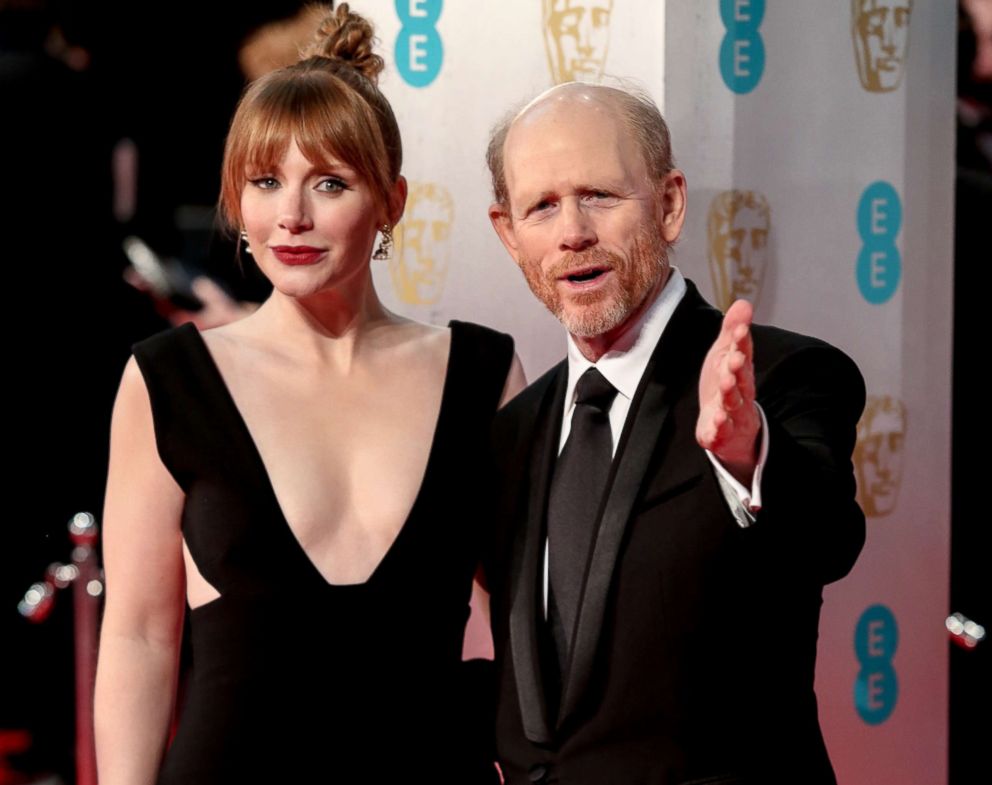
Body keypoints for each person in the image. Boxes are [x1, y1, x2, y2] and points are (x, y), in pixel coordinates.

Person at [93, 5, 524, 783]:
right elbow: (138, 636)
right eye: (264, 182)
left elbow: (524, 625)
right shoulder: (168, 381)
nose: (290, 215)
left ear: (391, 201)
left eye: (329, 183)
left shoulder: (483, 375)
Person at [484, 82, 866, 784]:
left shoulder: (785, 376)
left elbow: (826, 539)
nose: (572, 231)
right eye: (541, 205)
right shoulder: (508, 439)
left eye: (599, 194)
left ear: (669, 205)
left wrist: (747, 452)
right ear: (509, 235)